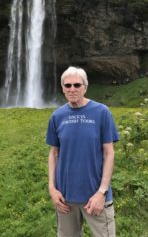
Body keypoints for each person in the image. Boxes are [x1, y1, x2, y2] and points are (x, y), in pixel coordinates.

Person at [46, 66, 119, 237]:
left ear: (85, 87)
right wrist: (52, 188)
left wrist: (102, 192)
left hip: (95, 197)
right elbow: (54, 153)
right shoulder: (57, 116)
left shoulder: (102, 112)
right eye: (67, 85)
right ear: (62, 88)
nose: (72, 89)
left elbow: (109, 153)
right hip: (65, 198)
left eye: (77, 85)